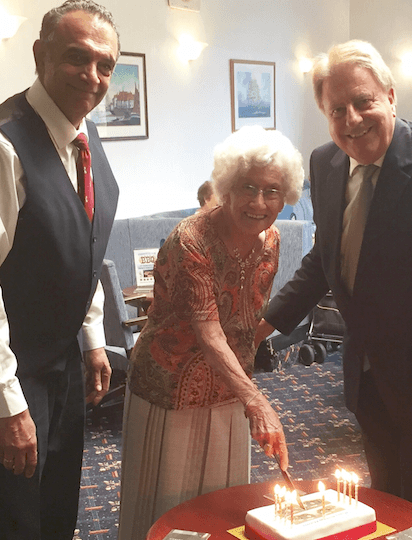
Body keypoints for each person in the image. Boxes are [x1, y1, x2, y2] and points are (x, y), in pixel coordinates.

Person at [256, 41, 412, 538]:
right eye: (337, 109)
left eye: (364, 101)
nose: (353, 118)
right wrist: (263, 324)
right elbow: (325, 259)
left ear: (390, 96)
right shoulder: (326, 162)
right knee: (385, 507)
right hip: (367, 381)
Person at [0, 2, 121, 538]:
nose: (93, 76)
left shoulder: (84, 135)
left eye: (105, 65)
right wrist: (7, 404)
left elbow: (82, 242)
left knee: (57, 499)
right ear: (40, 55)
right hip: (1, 364)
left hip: (57, 354)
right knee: (13, 514)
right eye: (77, 58)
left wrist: (93, 339)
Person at [117, 126, 305, 539]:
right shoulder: (192, 239)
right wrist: (256, 401)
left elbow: (245, 320)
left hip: (229, 389)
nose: (259, 202)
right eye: (247, 187)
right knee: (171, 504)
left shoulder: (270, 240)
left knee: (224, 501)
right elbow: (209, 331)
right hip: (170, 386)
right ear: (226, 188)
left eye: (272, 190)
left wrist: (245, 385)